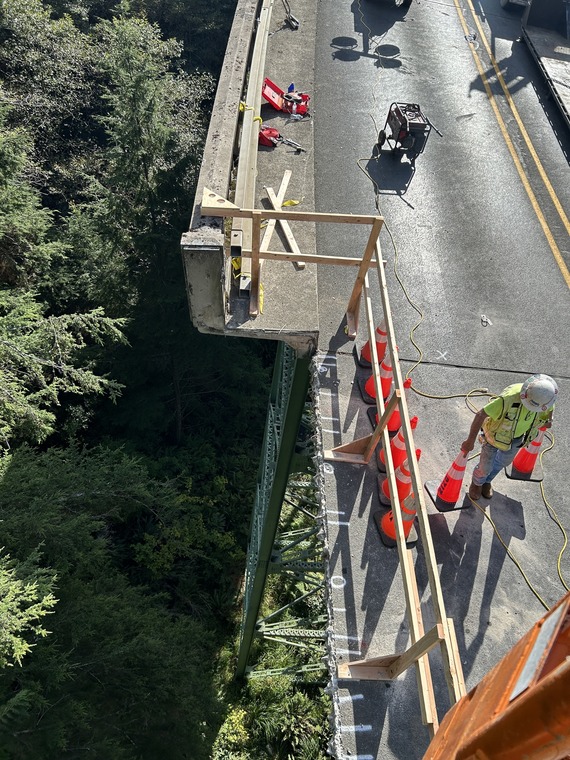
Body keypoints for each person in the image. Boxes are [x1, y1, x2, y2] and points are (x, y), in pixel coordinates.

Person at [461, 374, 558, 500]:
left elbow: (547, 420)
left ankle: (487, 481)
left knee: (503, 462)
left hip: (517, 438)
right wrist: (470, 441)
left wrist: (546, 420)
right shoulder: (509, 398)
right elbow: (481, 414)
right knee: (485, 466)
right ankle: (477, 483)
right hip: (493, 436)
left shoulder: (546, 400)